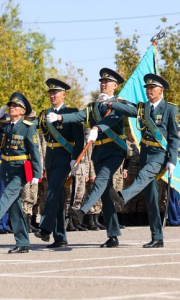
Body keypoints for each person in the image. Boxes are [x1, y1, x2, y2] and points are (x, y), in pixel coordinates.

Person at [97, 73, 179, 248]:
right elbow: (129, 110)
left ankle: (122, 197)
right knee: (151, 199)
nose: (149, 91)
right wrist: (111, 103)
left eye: (152, 88)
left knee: (142, 176)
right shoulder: (143, 108)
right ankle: (157, 237)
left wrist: (172, 159)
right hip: (145, 153)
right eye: (147, 88)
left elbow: (174, 137)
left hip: (159, 155)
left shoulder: (170, 109)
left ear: (161, 90)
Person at [46, 68, 126, 248]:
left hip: (115, 150)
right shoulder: (93, 106)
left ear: (115, 86)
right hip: (99, 152)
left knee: (101, 180)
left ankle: (82, 211)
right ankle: (113, 235)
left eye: (108, 82)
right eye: (102, 82)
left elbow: (111, 120)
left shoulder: (119, 104)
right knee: (105, 193)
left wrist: (97, 128)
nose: (104, 84)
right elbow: (78, 116)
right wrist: (59, 116)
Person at [0, 92, 41, 254]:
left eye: (15, 106)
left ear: (23, 111)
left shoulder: (28, 127)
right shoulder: (3, 125)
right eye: (10, 106)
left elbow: (35, 152)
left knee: (6, 195)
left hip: (21, 169)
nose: (11, 108)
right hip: (6, 167)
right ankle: (23, 242)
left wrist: (37, 174)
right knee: (14, 206)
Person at [32, 78, 84, 248]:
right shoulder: (44, 114)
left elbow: (79, 139)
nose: (52, 95)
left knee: (53, 190)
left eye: (56, 93)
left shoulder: (71, 112)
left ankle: (45, 229)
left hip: (65, 159)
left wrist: (75, 160)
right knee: (58, 198)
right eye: (50, 93)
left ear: (64, 95)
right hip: (51, 158)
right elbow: (32, 127)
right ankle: (60, 237)